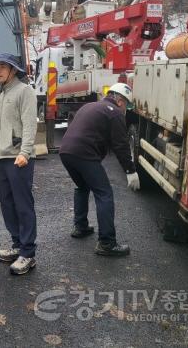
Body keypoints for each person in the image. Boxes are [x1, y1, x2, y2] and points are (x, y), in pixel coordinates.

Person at [59, 82, 140, 257]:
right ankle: (107, 243)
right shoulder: (115, 113)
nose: (126, 108)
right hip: (84, 153)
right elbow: (121, 145)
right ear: (120, 101)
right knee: (104, 193)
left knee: (82, 187)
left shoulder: (90, 106)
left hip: (66, 151)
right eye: (127, 104)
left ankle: (80, 227)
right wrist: (130, 171)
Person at [0, 53, 38, 275]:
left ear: (13, 70)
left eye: (2, 67)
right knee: (7, 204)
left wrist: (25, 152)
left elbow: (29, 124)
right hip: (3, 157)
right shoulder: (2, 94)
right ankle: (17, 244)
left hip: (19, 158)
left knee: (23, 205)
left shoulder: (24, 91)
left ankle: (28, 253)